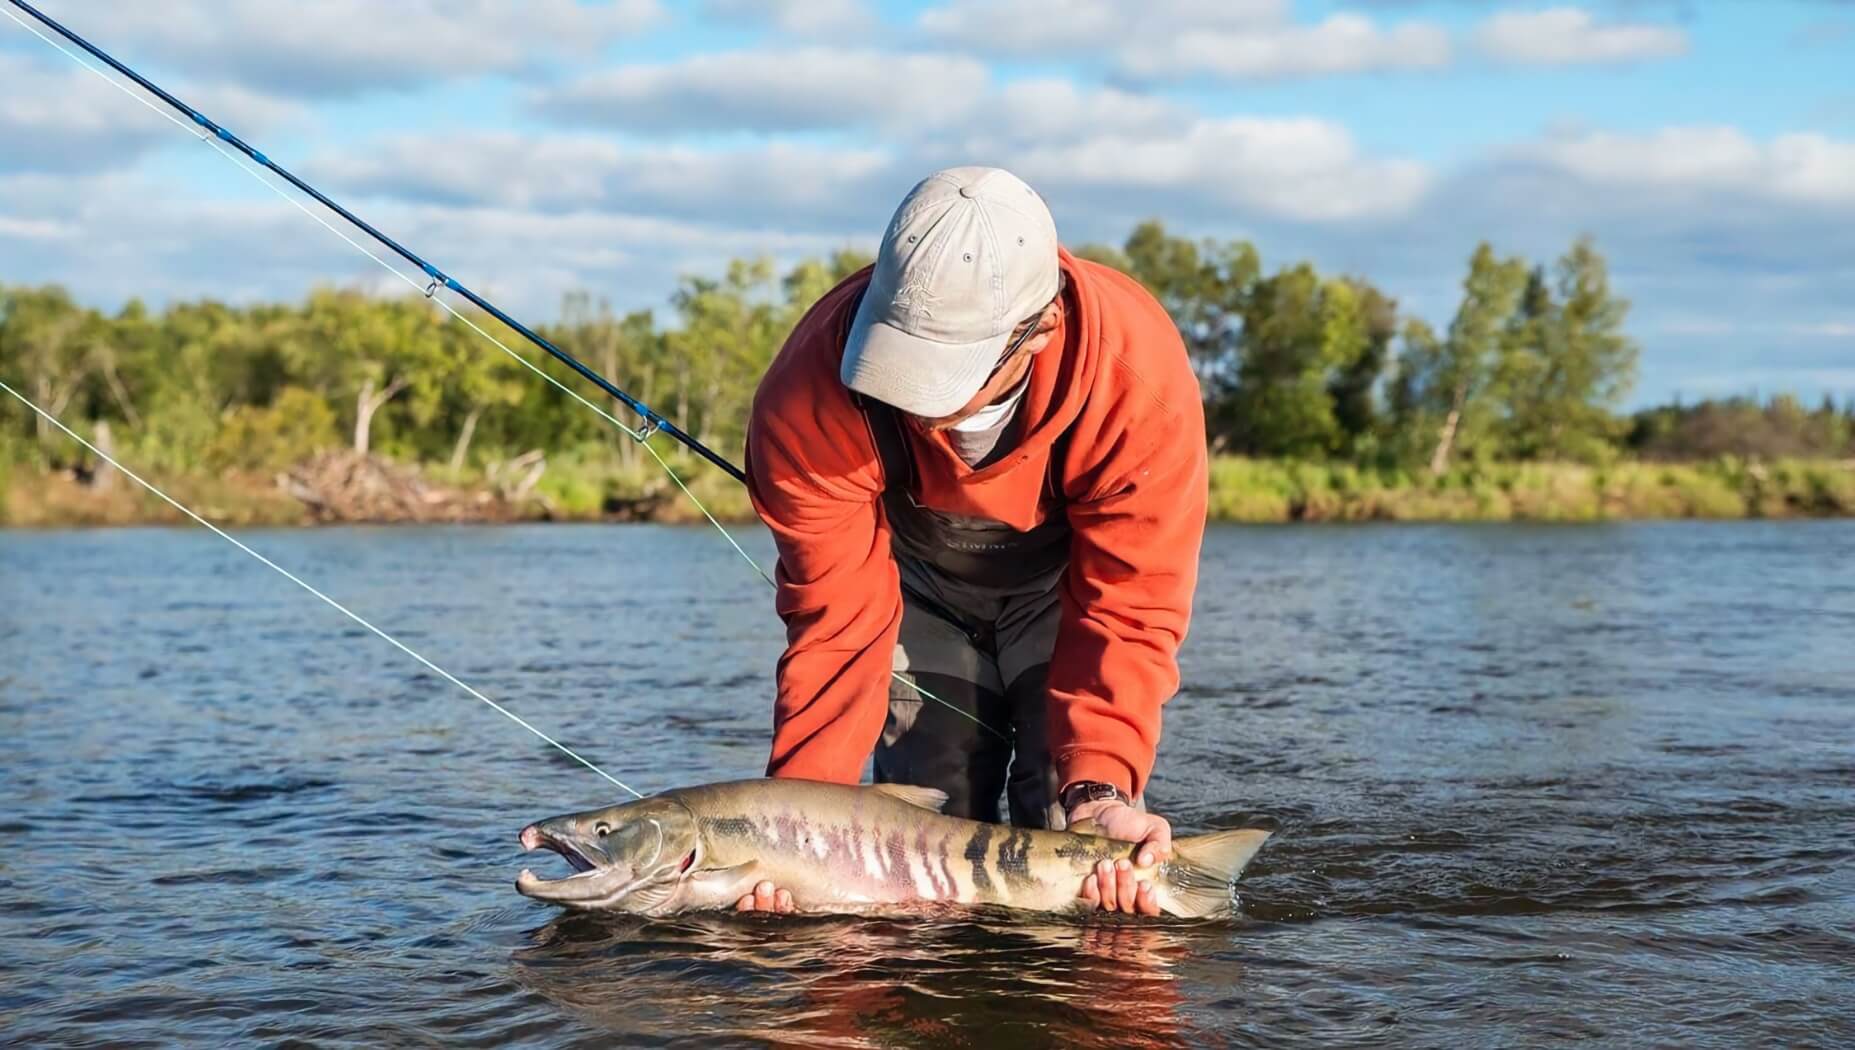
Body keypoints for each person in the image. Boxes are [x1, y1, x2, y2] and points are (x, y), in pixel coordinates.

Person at [742, 167, 1206, 915]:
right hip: (908, 591)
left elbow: (1128, 609)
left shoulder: (1135, 381)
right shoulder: (805, 395)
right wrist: (796, 828)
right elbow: (836, 625)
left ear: (1040, 329)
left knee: (1064, 829)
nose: (909, 404)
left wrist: (1098, 787)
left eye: (940, 374)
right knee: (919, 836)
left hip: (1065, 595)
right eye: (896, 362)